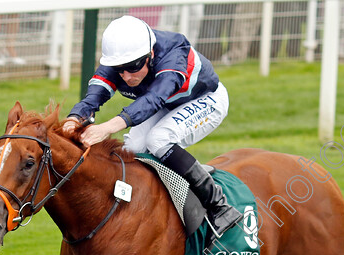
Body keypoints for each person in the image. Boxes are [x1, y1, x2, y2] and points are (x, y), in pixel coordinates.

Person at [64, 15, 242, 240]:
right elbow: (93, 98)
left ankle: (219, 205)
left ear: (150, 54)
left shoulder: (174, 56)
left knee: (158, 140)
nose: (127, 77)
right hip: (168, 103)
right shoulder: (121, 59)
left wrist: (106, 128)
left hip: (207, 99)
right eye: (119, 70)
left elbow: (152, 101)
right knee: (133, 148)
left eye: (133, 67)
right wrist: (73, 120)